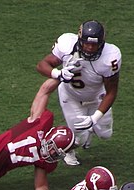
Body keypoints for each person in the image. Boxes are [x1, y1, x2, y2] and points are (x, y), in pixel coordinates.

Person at [36, 20, 121, 166]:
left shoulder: (110, 56)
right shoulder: (67, 45)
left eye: (94, 44)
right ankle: (70, 150)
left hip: (97, 97)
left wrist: (95, 117)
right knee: (78, 138)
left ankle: (91, 129)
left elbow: (111, 92)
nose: (89, 48)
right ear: (79, 39)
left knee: (105, 134)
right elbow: (42, 65)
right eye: (87, 43)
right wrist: (58, 73)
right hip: (71, 97)